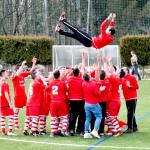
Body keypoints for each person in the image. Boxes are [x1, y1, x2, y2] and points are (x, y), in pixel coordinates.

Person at [12, 57, 37, 130]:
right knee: (17, 110)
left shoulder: (22, 75)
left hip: (24, 96)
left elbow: (31, 71)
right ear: (17, 69)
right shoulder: (14, 76)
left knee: (29, 108)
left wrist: (34, 63)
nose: (22, 69)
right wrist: (22, 65)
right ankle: (16, 126)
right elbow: (17, 74)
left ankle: (29, 124)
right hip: (17, 96)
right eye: (21, 68)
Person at [49, 70, 69, 137]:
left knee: (53, 118)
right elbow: (66, 89)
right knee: (64, 117)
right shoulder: (62, 83)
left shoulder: (51, 83)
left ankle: (53, 132)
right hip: (61, 102)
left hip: (53, 102)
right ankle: (64, 131)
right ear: (59, 75)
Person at [82, 73, 102, 138]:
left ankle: (86, 132)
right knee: (99, 116)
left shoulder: (83, 84)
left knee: (88, 118)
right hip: (93, 103)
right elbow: (97, 94)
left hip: (86, 103)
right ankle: (95, 130)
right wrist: (101, 90)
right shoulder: (93, 84)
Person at [120, 67, 139, 133]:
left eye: (123, 69)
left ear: (127, 71)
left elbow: (137, 87)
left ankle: (130, 128)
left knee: (130, 113)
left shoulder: (132, 77)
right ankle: (135, 127)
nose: (122, 70)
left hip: (132, 98)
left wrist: (130, 86)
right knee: (131, 112)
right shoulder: (122, 78)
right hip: (127, 98)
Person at [67, 68, 85, 136]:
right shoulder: (81, 80)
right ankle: (81, 130)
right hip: (81, 99)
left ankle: (72, 129)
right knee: (82, 116)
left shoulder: (69, 80)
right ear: (79, 73)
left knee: (73, 115)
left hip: (72, 100)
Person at [0, 69, 15, 135]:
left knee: (3, 116)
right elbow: (6, 93)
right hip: (6, 102)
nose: (7, 74)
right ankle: (10, 131)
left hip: (1, 101)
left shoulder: (0, 82)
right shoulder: (5, 83)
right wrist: (9, 102)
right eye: (6, 73)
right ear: (3, 74)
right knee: (11, 115)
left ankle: (3, 131)